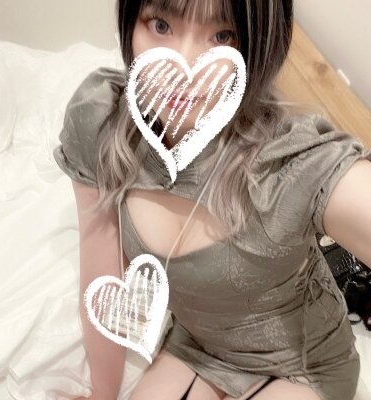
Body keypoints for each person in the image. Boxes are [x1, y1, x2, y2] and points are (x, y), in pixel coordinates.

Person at [52, 0, 371, 399]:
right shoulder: (101, 123)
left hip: (302, 364)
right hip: (197, 345)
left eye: (223, 35)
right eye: (161, 25)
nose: (184, 66)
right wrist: (101, 394)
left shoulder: (291, 163)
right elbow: (103, 279)